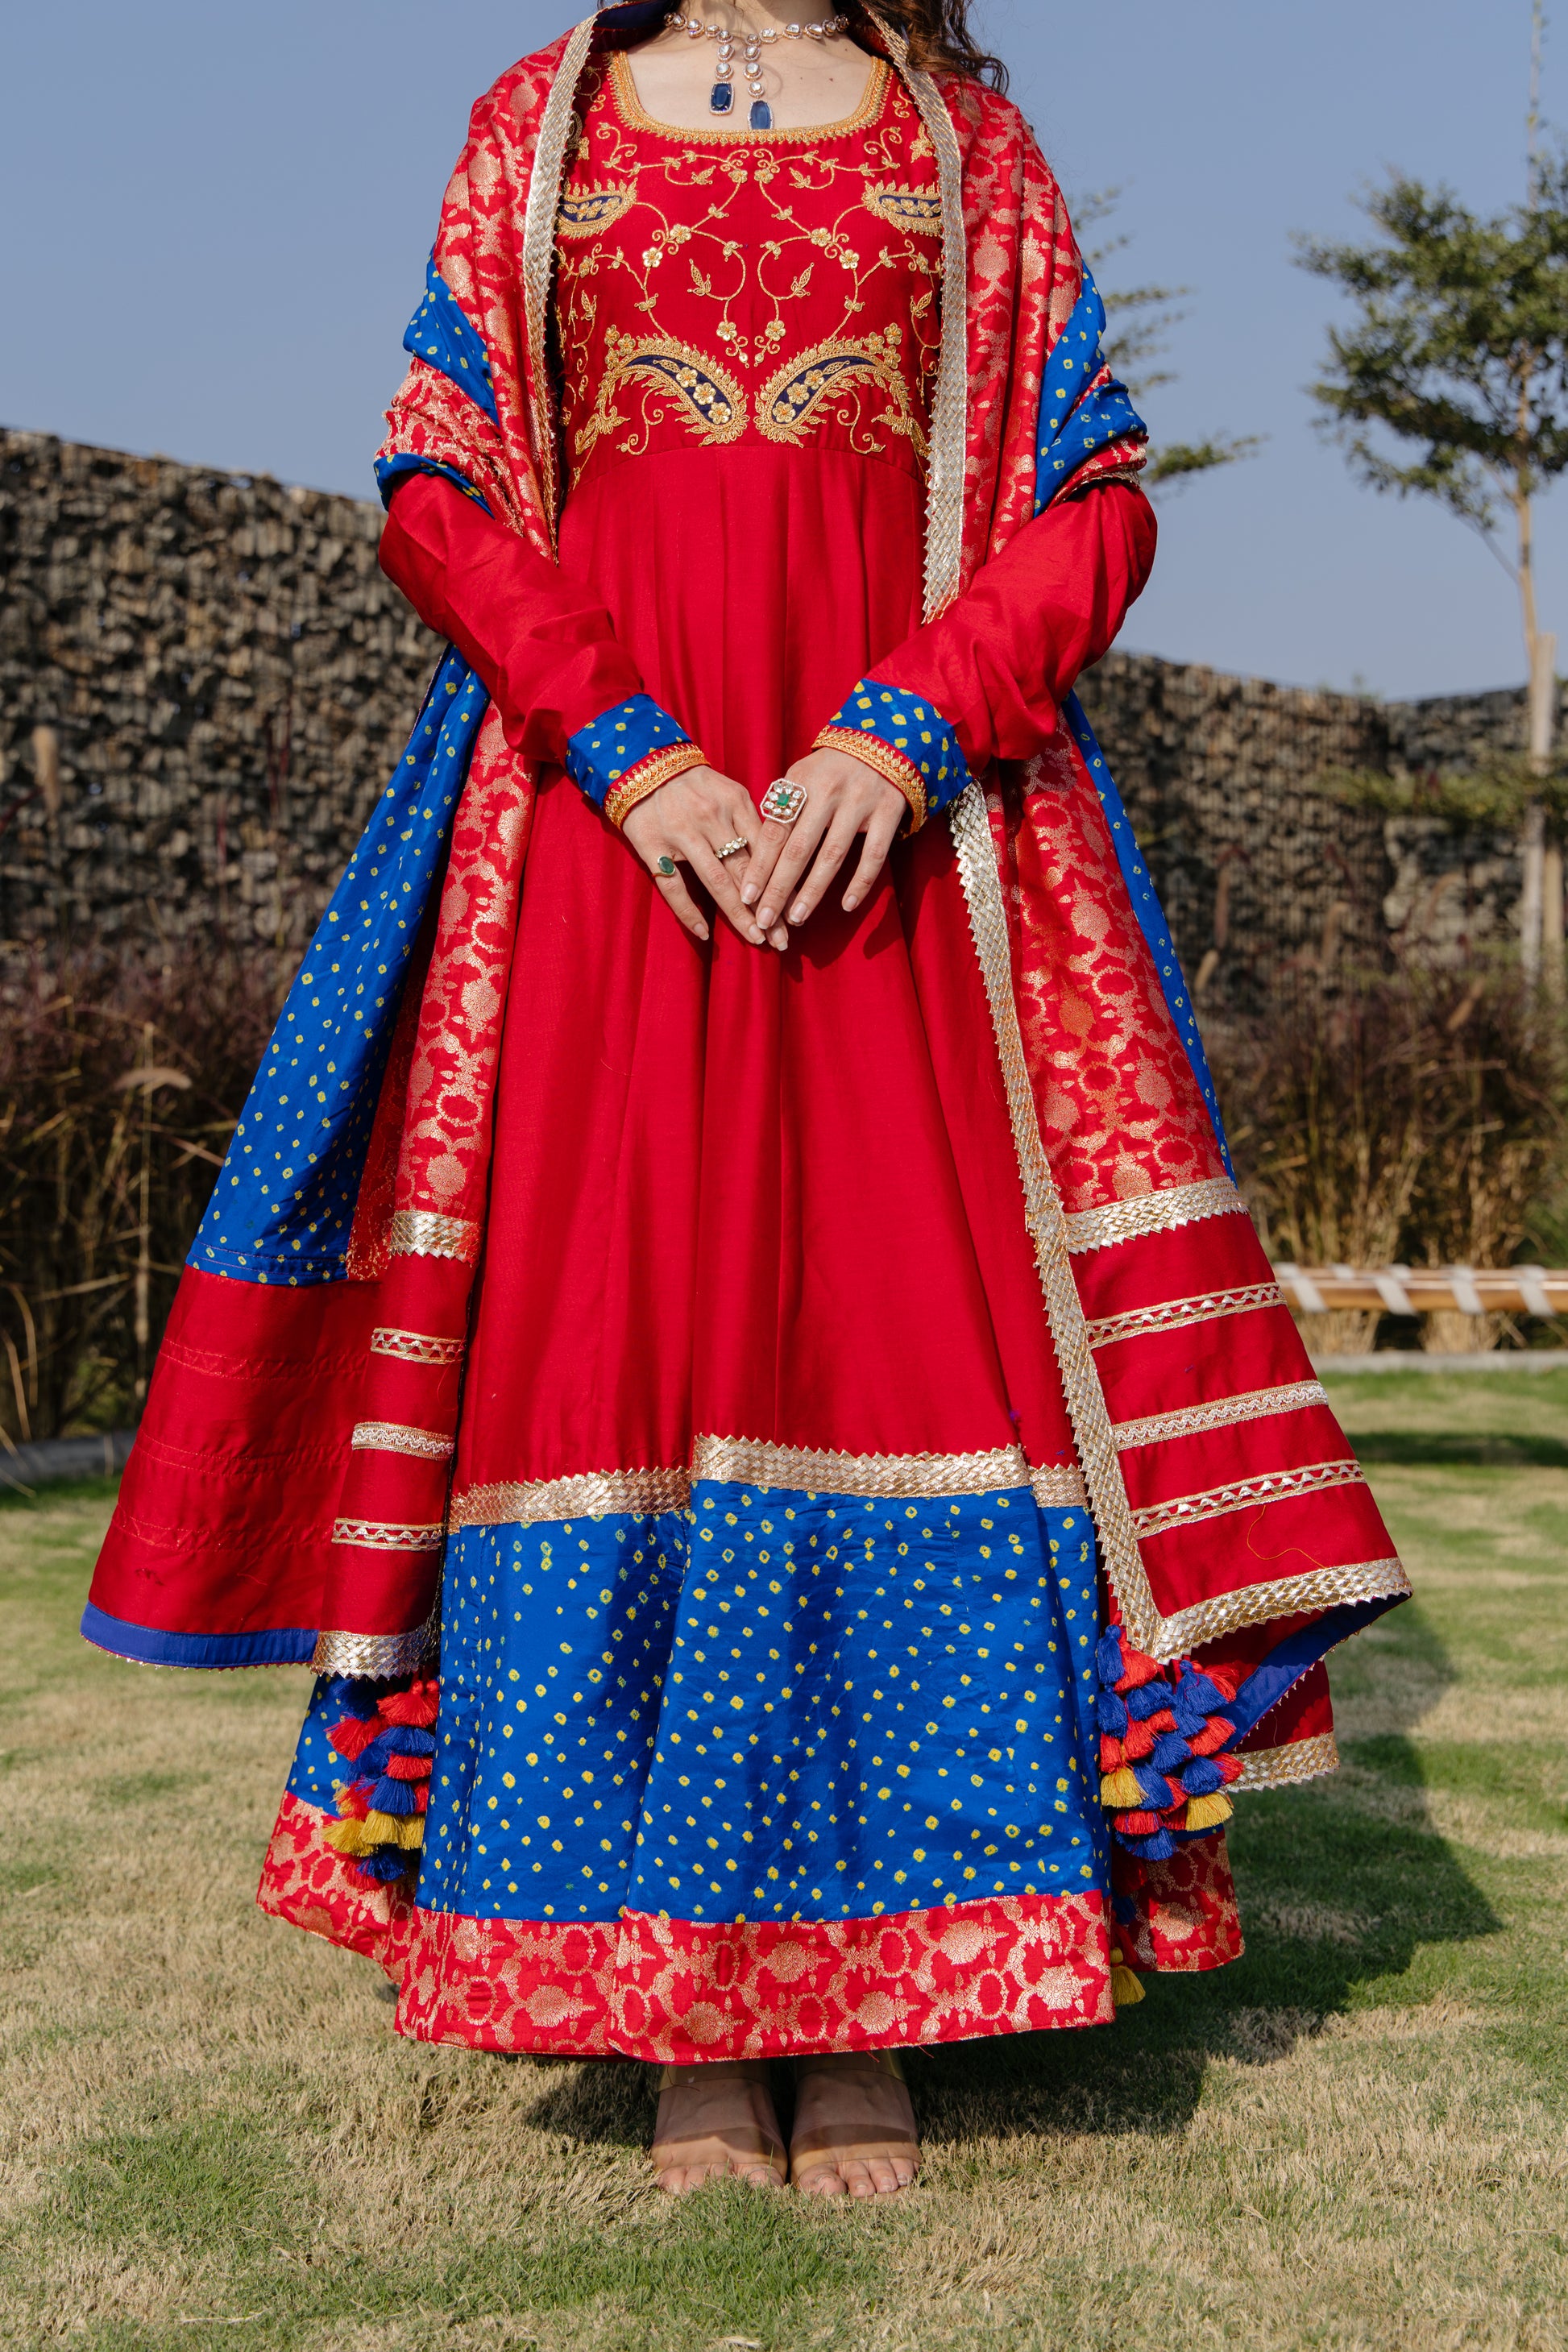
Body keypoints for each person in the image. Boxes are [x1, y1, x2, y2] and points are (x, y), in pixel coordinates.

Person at [85, 0, 1410, 2199]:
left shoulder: (966, 145)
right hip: (611, 844)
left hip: (901, 847)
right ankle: (675, 2011)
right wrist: (630, 751)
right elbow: (438, 483)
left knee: (889, 1347)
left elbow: (1090, 503)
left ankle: (873, 2006)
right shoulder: (540, 124)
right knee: (613, 1354)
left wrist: (912, 728)